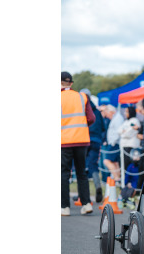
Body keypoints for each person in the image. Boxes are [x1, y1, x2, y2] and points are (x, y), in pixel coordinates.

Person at [61, 71, 95, 216]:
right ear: (71, 83)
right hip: (82, 139)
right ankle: (86, 203)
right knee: (81, 172)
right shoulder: (82, 97)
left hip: (64, 140)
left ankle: (65, 207)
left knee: (64, 173)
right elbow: (91, 118)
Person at [80, 88, 105, 203]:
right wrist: (101, 139)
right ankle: (97, 186)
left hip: (84, 140)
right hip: (96, 141)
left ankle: (83, 195)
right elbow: (104, 128)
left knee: (82, 166)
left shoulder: (81, 109)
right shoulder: (97, 111)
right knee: (93, 165)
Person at [102, 105, 124, 182]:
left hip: (114, 143)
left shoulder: (117, 118)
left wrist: (113, 142)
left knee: (106, 161)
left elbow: (118, 131)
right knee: (115, 162)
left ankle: (116, 178)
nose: (107, 116)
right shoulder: (116, 118)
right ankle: (118, 177)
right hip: (114, 143)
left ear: (111, 112)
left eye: (107, 114)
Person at [118, 106, 141, 176]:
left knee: (129, 166)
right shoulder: (126, 121)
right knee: (124, 166)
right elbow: (118, 130)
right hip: (124, 146)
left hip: (131, 146)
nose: (125, 113)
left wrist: (123, 133)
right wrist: (123, 132)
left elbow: (129, 133)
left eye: (127, 111)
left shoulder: (134, 121)